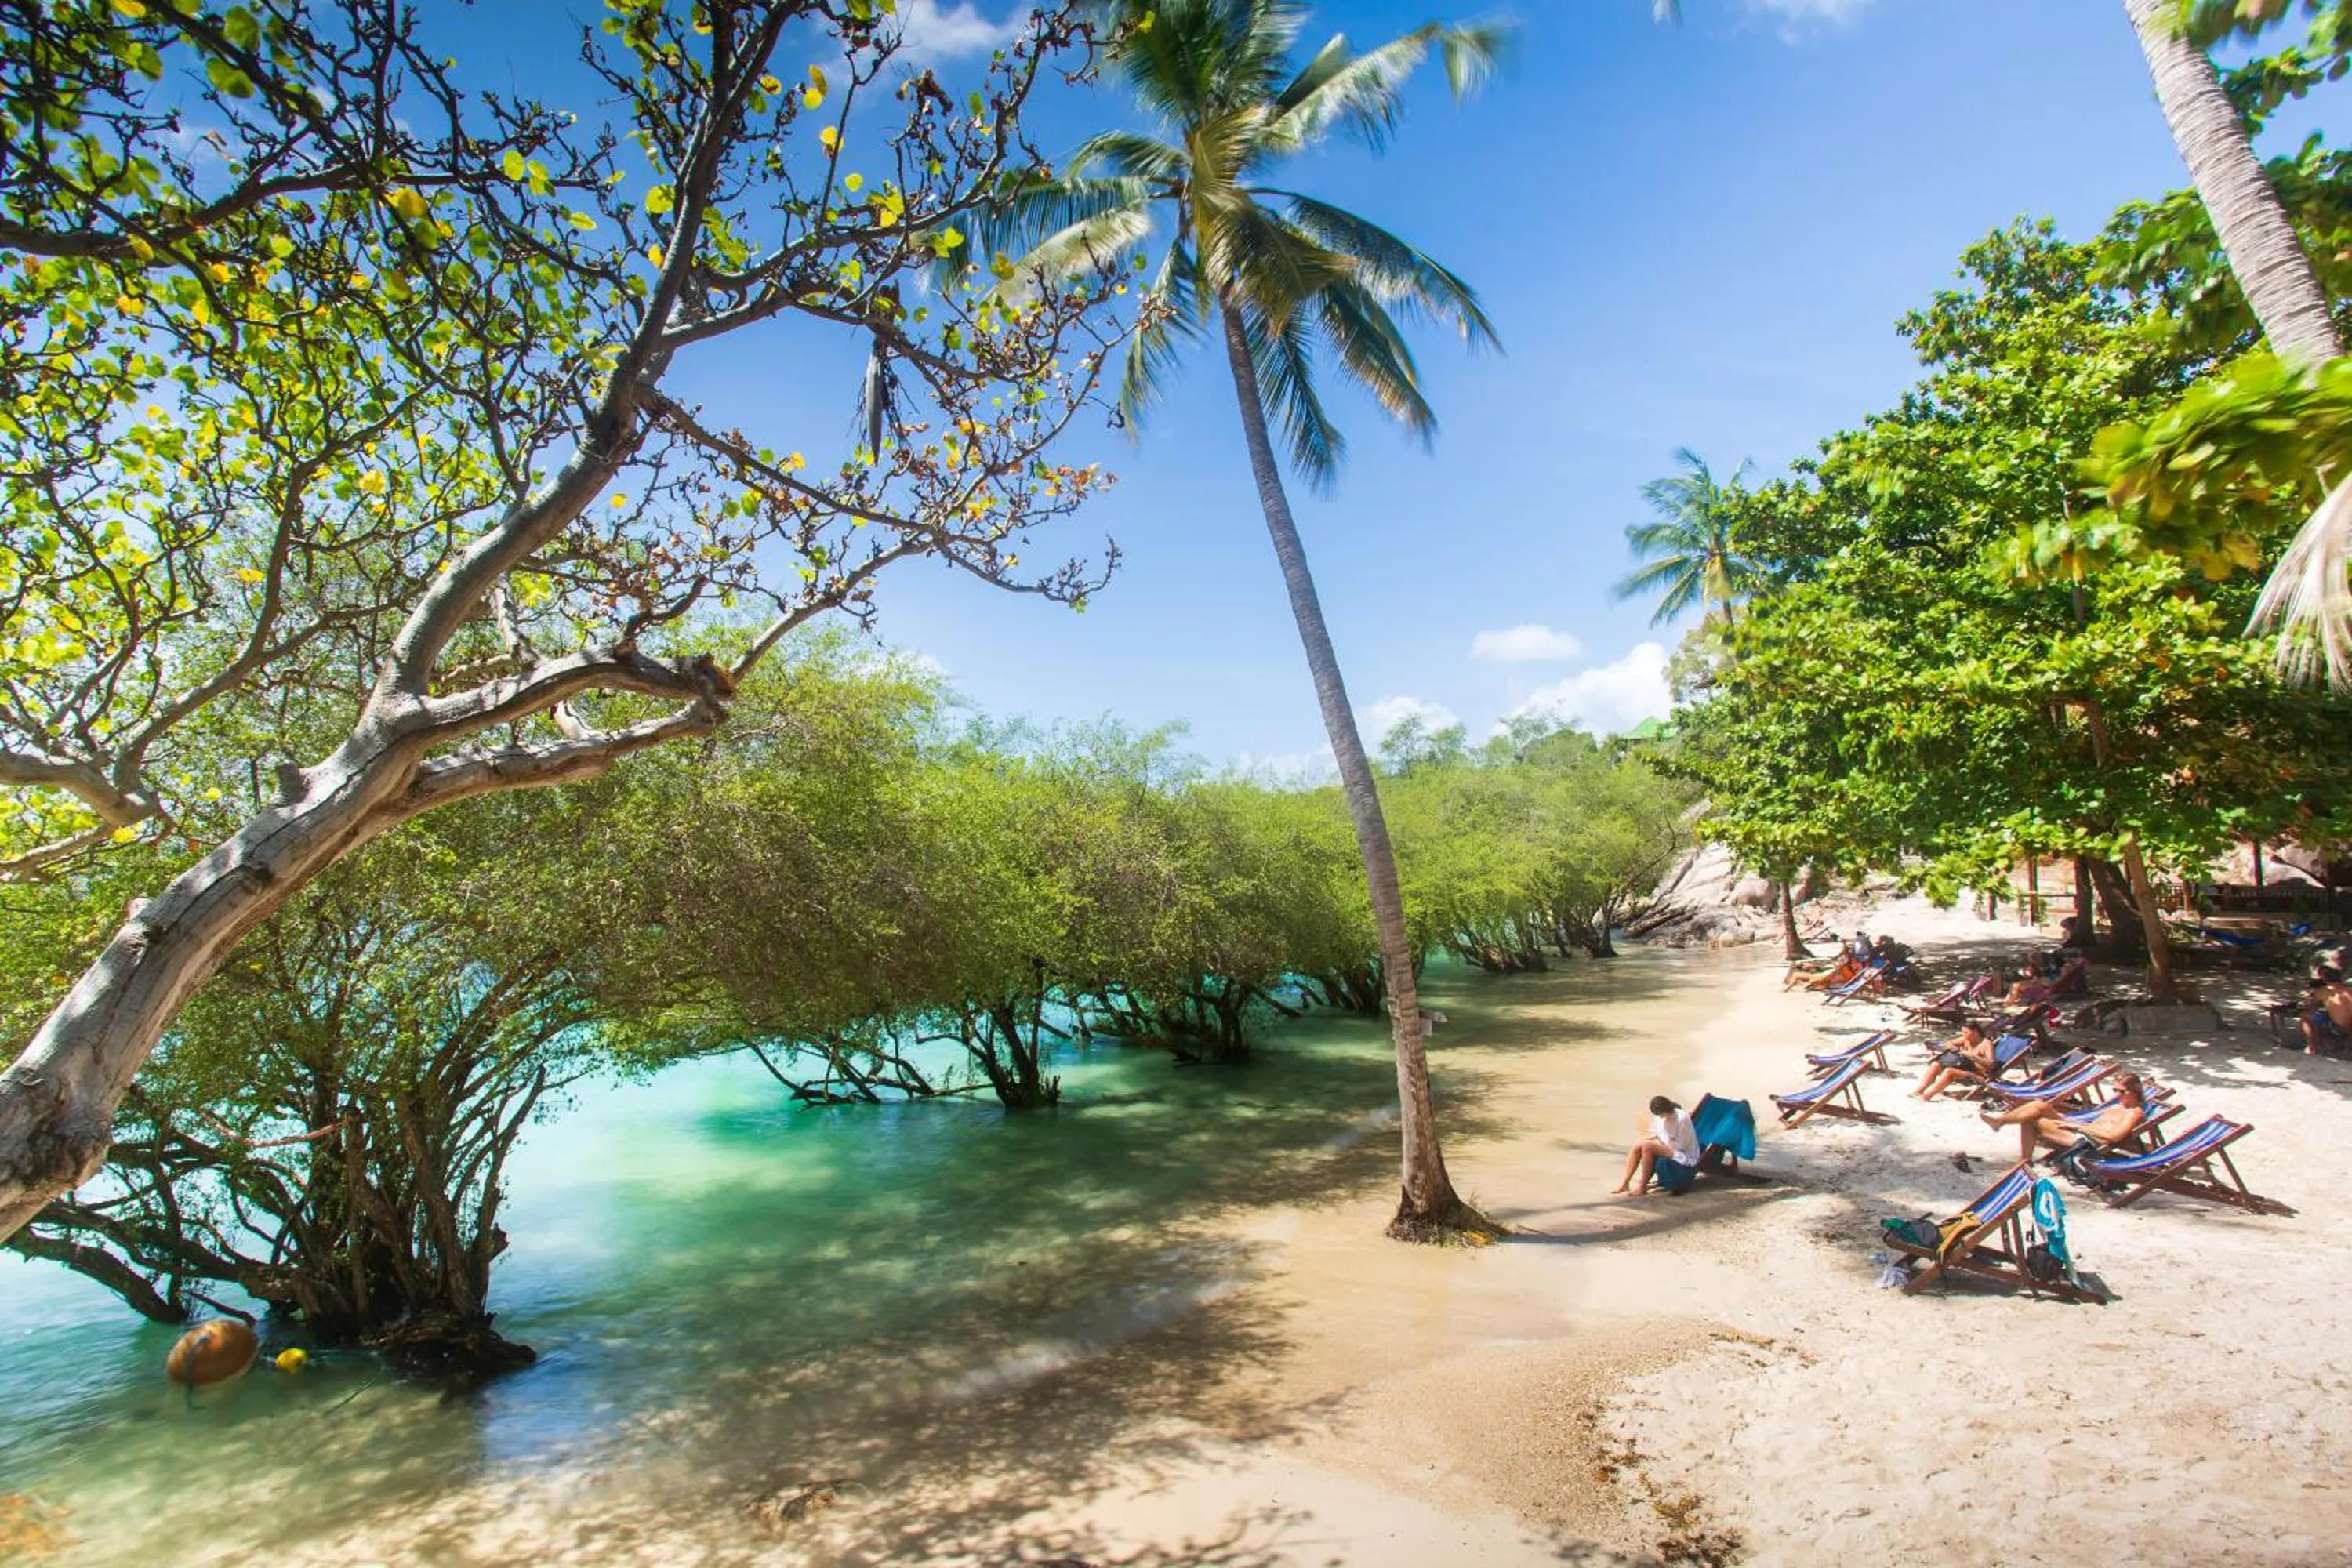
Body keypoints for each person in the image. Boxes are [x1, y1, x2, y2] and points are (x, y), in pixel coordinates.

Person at [1983, 1073, 2146, 1167]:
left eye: (2121, 1091)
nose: (2117, 1094)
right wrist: (2075, 1124)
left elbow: (2113, 1137)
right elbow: (2096, 1125)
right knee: (2039, 1105)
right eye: (2115, 1090)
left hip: (2087, 1142)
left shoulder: (2134, 1113)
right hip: (2081, 1131)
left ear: (2133, 1092)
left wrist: (2078, 1127)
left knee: (2032, 1119)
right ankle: (2001, 1123)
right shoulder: (2118, 1107)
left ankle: (2022, 1158)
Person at [1611, 1094, 1702, 1196]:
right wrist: (1655, 1140)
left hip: (1683, 1154)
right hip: (1665, 1145)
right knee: (1638, 1144)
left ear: (1668, 1110)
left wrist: (1660, 1144)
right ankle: (1624, 1184)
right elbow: (1655, 1132)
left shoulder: (1682, 1119)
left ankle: (1642, 1187)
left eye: (1662, 1115)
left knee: (1647, 1146)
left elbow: (1683, 1145)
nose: (1661, 1118)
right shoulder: (1659, 1117)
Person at [1912, 1019, 1996, 1101]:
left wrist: (1974, 1057)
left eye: (1966, 1032)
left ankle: (1927, 1096)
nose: (1964, 1035)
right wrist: (1955, 1049)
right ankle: (1919, 1091)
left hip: (1978, 1075)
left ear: (1975, 1032)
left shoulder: (1986, 1044)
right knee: (1936, 1065)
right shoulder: (1966, 1040)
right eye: (1963, 1032)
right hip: (1965, 1069)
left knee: (1949, 1071)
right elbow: (1949, 1043)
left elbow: (1991, 1064)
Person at [2303, 969, 2351, 1056]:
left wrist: (2311, 999)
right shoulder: (2348, 992)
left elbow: (2311, 1008)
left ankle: (2311, 1047)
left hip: (2337, 1027)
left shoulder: (2325, 991)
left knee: (2305, 1016)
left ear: (2325, 980)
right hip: (2349, 1025)